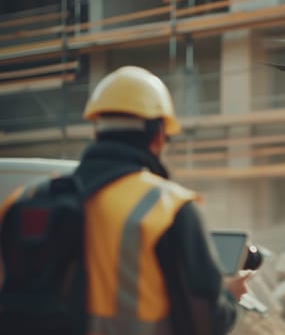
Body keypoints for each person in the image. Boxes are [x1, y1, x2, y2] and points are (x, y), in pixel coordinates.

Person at [76, 66, 249, 334]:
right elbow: (209, 321)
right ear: (158, 136)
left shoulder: (24, 201)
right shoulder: (168, 208)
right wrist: (228, 296)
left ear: (96, 130)